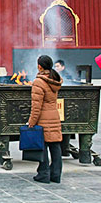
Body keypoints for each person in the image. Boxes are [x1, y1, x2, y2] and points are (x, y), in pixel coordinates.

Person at [27, 55, 63, 184]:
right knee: (55, 146)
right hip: (54, 116)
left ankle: (44, 174)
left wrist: (31, 122)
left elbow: (36, 106)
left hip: (43, 118)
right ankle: (56, 174)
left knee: (43, 147)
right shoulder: (55, 79)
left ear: (39, 66)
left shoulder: (39, 82)